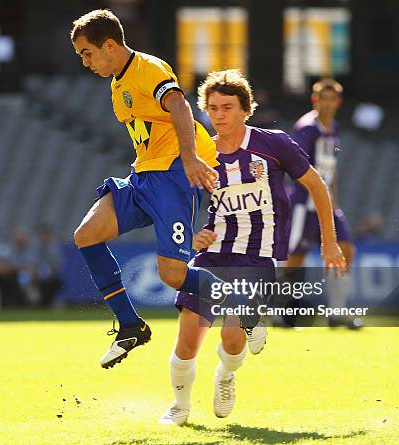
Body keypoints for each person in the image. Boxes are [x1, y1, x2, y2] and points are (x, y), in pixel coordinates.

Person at [159, 69, 346, 425]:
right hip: (211, 256)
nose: (219, 114)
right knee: (187, 341)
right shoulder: (201, 153)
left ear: (246, 109)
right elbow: (187, 208)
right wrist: (195, 235)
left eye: (227, 107)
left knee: (232, 339)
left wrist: (329, 240)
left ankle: (225, 376)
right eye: (212, 108)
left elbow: (317, 186)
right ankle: (180, 405)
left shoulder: (273, 144)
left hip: (256, 255)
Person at [71, 10, 239, 369]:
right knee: (86, 235)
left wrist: (191, 158)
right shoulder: (118, 84)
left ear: (110, 46)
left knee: (172, 275)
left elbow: (178, 103)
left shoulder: (149, 68)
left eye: (87, 52)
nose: (85, 62)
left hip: (175, 173)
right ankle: (131, 325)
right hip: (145, 175)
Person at [286, 79, 360, 329]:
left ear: (338, 101)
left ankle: (337, 311)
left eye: (331, 98)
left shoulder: (334, 128)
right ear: (314, 100)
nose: (326, 103)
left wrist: (333, 201)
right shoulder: (307, 128)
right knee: (294, 257)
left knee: (346, 250)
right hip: (305, 205)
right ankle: (279, 311)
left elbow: (332, 167)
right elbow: (297, 168)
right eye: (321, 98)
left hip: (327, 204)